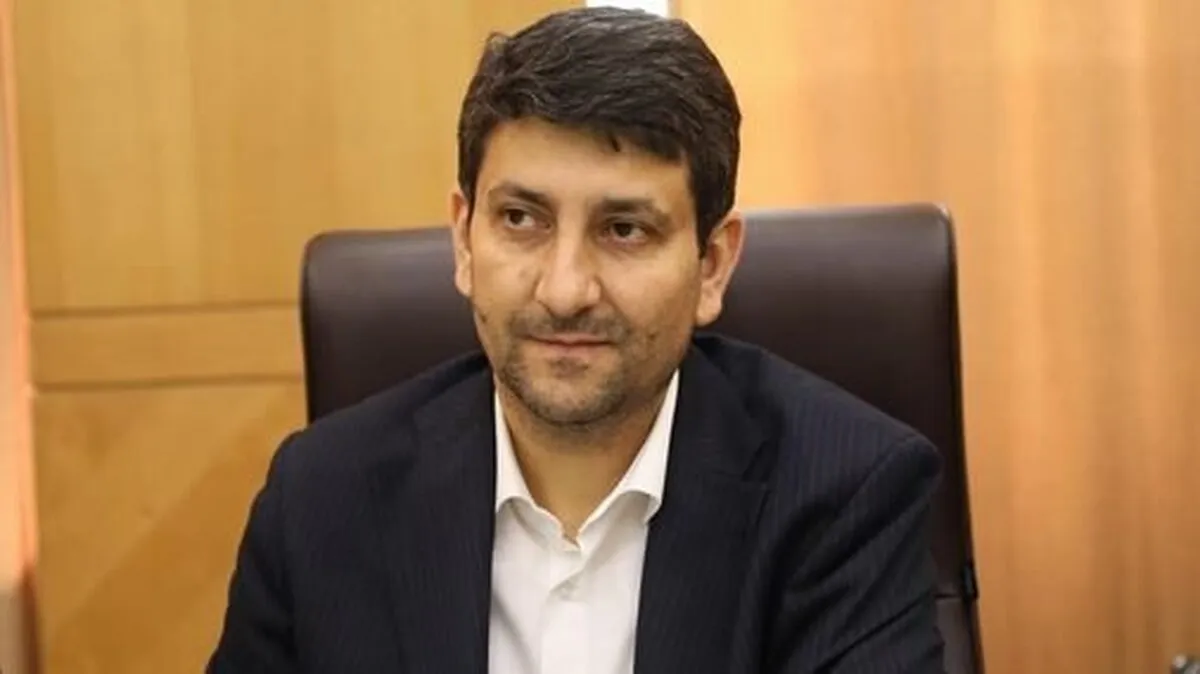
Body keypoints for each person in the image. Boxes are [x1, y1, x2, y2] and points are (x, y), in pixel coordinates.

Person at [208, 7, 945, 673]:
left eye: (624, 229)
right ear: (463, 240)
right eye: (521, 220)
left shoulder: (843, 495)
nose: (564, 291)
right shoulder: (322, 497)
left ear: (712, 264)